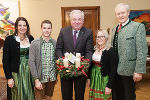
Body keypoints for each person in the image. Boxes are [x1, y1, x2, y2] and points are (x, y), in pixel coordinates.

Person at [111, 3, 148, 100]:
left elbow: (142, 50)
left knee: (129, 97)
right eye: (118, 13)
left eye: (123, 13)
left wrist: (139, 71)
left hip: (129, 70)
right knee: (117, 96)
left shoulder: (138, 27)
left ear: (128, 13)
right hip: (115, 70)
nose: (120, 15)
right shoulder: (114, 29)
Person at [56, 10, 93, 100]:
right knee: (66, 96)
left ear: (83, 20)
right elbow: (58, 48)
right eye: (74, 19)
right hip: (65, 70)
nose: (77, 22)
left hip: (81, 70)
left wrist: (85, 65)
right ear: (70, 20)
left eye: (79, 19)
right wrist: (62, 63)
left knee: (79, 96)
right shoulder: (63, 31)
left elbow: (89, 51)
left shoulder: (88, 32)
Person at [2, 17, 35, 100]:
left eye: (24, 25)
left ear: (27, 27)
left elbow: (34, 56)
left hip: (29, 72)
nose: (22, 27)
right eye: (20, 25)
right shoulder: (9, 40)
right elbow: (5, 60)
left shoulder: (31, 38)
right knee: (17, 94)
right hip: (16, 73)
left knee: (30, 93)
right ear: (16, 27)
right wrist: (9, 78)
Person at [29, 20, 57, 100]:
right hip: (40, 78)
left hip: (51, 78)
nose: (47, 30)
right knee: (39, 98)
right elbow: (31, 62)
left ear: (51, 29)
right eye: (44, 28)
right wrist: (36, 80)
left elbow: (56, 60)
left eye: (49, 28)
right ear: (41, 29)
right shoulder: (35, 43)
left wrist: (56, 76)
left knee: (49, 97)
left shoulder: (55, 43)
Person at [87, 29, 118, 100]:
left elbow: (113, 69)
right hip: (94, 78)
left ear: (106, 38)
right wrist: (88, 78)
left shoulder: (110, 50)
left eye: (102, 36)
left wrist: (109, 86)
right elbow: (90, 65)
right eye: (97, 37)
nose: (99, 39)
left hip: (104, 79)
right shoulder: (94, 49)